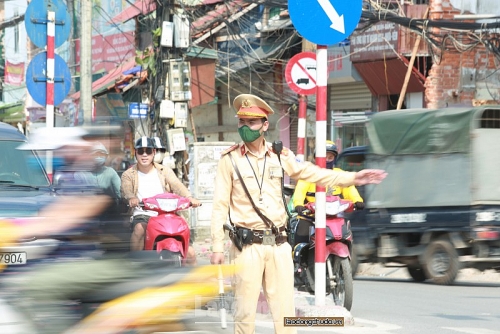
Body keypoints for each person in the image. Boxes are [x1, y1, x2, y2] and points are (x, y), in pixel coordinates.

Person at [210, 94, 387, 334]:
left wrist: (353, 178)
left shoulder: (280, 156)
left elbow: (313, 174)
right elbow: (220, 204)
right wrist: (217, 247)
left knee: (285, 316)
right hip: (247, 247)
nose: (244, 127)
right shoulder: (229, 160)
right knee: (244, 316)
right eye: (241, 122)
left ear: (264, 125)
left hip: (279, 245)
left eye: (250, 123)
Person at [121, 136, 201, 265]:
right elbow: (126, 190)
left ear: (154, 152)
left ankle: (194, 280)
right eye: (141, 151)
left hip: (167, 214)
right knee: (140, 229)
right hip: (143, 213)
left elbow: (177, 185)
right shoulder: (128, 174)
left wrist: (190, 197)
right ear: (135, 153)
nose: (145, 155)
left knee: (190, 251)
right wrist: (131, 198)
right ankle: (134, 264)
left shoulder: (164, 170)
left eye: (148, 151)